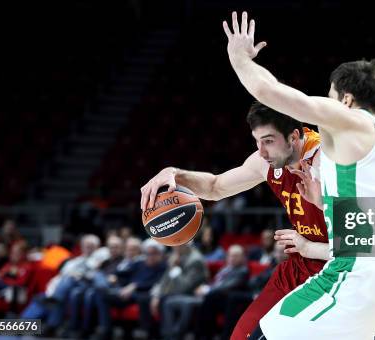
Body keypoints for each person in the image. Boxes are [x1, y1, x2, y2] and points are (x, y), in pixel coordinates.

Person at [223, 11, 375, 339]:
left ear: (346, 99)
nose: (326, 102)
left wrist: (239, 59)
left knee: (261, 335)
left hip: (358, 274)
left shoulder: (351, 120)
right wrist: (325, 201)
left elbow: (273, 94)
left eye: (329, 94)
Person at [140, 102, 330, 339]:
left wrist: (309, 247)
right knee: (242, 335)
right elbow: (215, 187)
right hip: (299, 266)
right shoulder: (267, 161)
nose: (261, 151)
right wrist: (175, 173)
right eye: (257, 141)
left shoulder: (331, 163)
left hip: (339, 269)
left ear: (293, 136)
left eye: (268, 141)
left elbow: (369, 247)